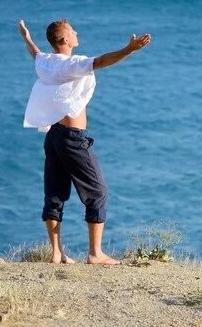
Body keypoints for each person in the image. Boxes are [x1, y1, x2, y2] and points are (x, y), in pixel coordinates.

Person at [18, 19, 151, 265]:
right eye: (72, 31)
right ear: (64, 40)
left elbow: (35, 53)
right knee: (98, 191)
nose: (77, 33)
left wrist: (27, 38)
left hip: (54, 136)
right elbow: (101, 61)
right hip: (72, 138)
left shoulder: (47, 62)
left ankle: (57, 253)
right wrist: (129, 49)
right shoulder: (72, 64)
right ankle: (95, 253)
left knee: (55, 194)